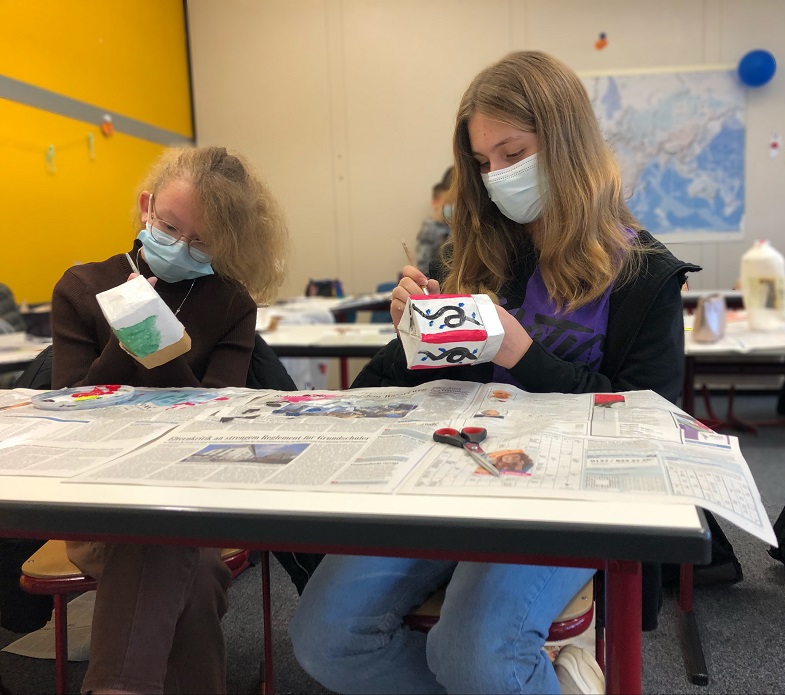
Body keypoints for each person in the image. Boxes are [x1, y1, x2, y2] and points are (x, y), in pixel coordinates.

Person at [289, 51, 700, 695]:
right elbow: (380, 390)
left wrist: (521, 355)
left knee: (475, 653)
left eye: (513, 155)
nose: (497, 177)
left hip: (570, 499)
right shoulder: (481, 252)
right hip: (453, 482)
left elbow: (647, 427)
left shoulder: (644, 275)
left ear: (567, 148)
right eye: (483, 163)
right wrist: (412, 334)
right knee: (325, 637)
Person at [50, 145, 289, 694]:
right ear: (146, 208)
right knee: (185, 562)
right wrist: (125, 340)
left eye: (200, 241)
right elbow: (68, 410)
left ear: (227, 245)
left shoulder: (230, 303)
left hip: (193, 492)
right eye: (170, 226)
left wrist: (156, 340)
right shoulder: (83, 286)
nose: (180, 247)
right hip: (99, 498)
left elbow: (215, 413)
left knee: (168, 538)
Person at [413, 167, 453, 275]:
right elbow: (423, 266)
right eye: (450, 201)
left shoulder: (455, 227)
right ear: (436, 201)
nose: (454, 207)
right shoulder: (430, 228)